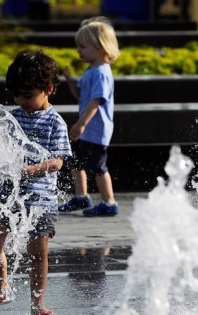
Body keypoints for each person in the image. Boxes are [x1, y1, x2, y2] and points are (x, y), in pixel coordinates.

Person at [0, 50, 72, 315]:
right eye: (16, 96)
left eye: (27, 96)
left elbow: (58, 162)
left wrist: (31, 169)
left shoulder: (55, 122)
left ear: (48, 89)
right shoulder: (11, 117)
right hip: (8, 195)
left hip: (40, 201)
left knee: (37, 254)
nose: (20, 101)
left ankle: (37, 305)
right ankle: (0, 286)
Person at [58, 16, 120, 217]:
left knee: (98, 166)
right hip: (86, 129)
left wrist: (81, 124)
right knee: (75, 160)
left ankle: (109, 202)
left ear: (100, 47)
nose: (79, 51)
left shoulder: (101, 72)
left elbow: (96, 101)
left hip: (95, 129)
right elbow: (81, 96)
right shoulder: (91, 71)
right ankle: (81, 196)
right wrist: (70, 83)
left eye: (83, 47)